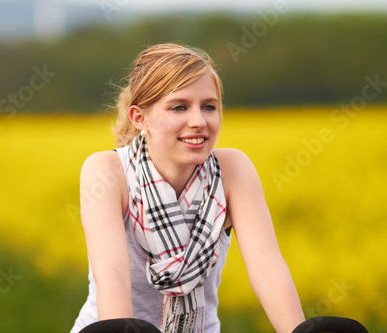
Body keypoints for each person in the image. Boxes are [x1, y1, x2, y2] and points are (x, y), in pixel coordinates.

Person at [71, 43, 305, 333]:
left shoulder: (233, 170)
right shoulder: (108, 172)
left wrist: (298, 329)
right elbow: (112, 275)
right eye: (179, 107)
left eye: (208, 106)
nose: (198, 121)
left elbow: (267, 268)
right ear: (139, 118)